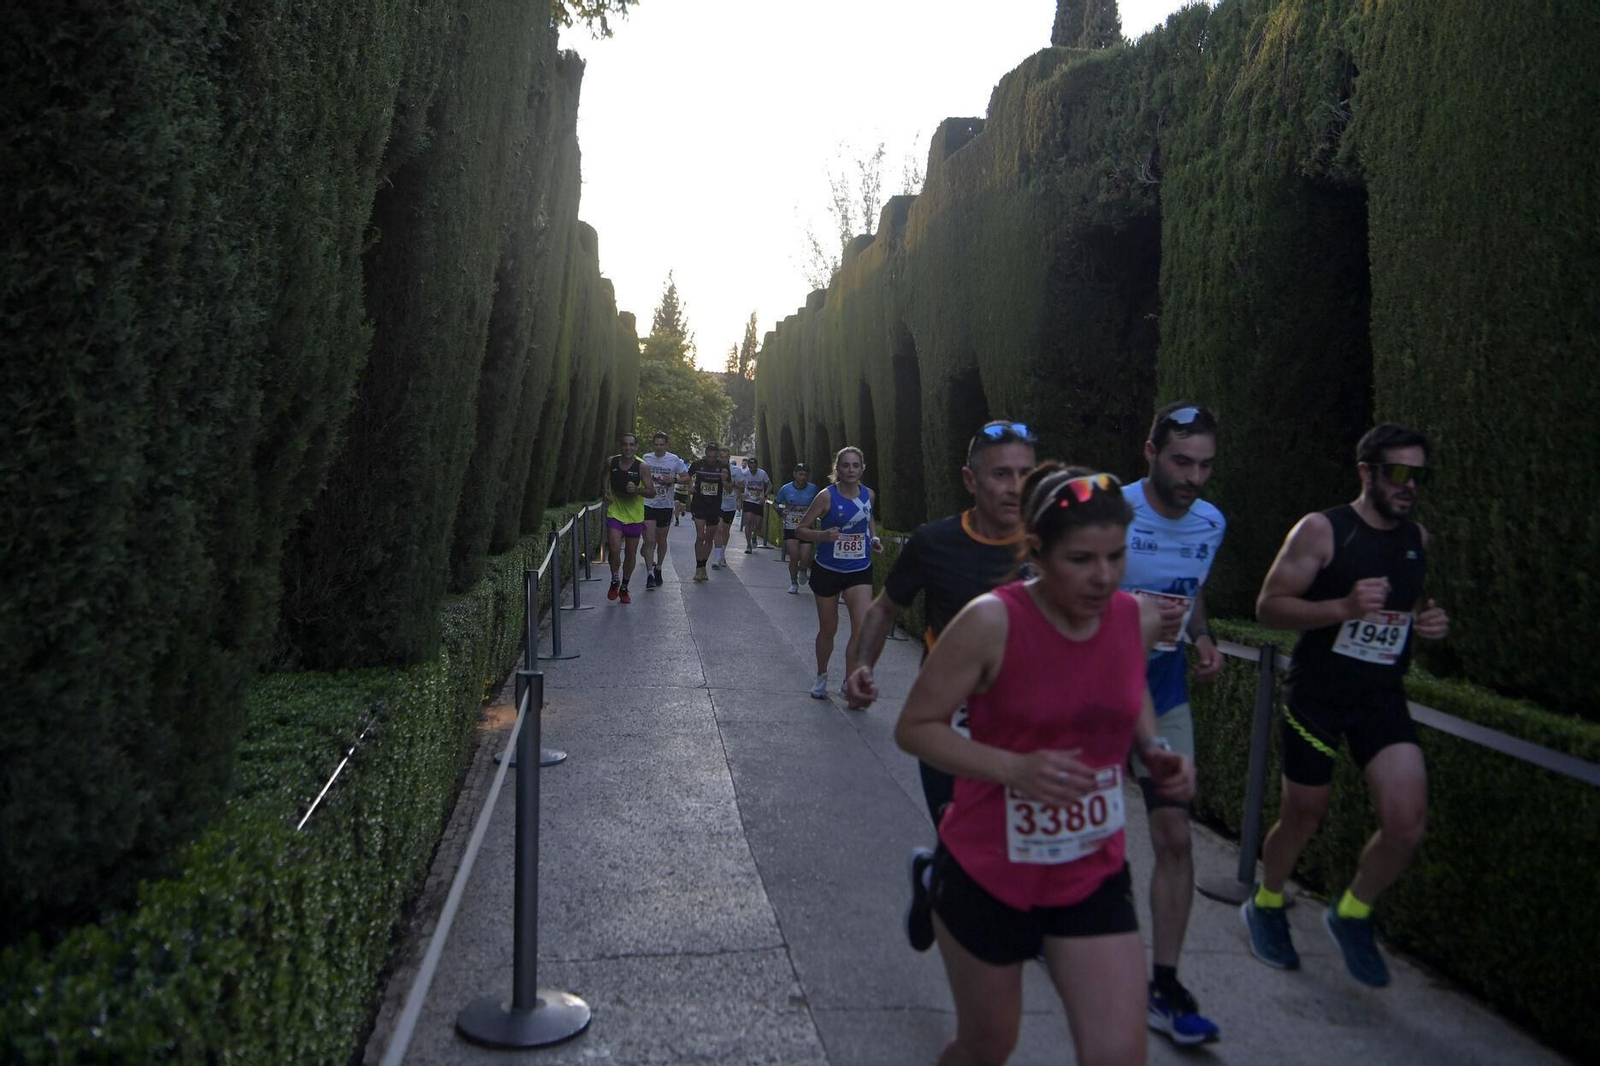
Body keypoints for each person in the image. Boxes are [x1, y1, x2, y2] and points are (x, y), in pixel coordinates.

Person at [894, 463, 1195, 1066]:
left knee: (1117, 1056)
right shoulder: (990, 621)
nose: (1103, 577)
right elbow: (915, 728)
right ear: (1036, 551)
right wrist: (1014, 769)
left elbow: (1129, 687)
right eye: (1081, 559)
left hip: (1092, 870)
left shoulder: (1135, 617)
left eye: (1115, 557)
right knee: (989, 1045)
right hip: (988, 873)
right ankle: (935, 879)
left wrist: (1153, 748)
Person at [1242, 423, 1449, 988]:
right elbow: (1268, 608)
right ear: (1367, 472)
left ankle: (1353, 910)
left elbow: (1403, 613)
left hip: (1380, 698)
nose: (1409, 486)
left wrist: (1427, 623)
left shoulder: (1417, 540)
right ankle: (1266, 901)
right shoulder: (1322, 531)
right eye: (1399, 473)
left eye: (1419, 475)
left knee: (1407, 823)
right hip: (1318, 697)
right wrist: (1342, 607)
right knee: (1305, 814)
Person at [842, 421, 1037, 954]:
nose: (1015, 486)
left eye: (1026, 473)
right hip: (947, 723)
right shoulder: (936, 542)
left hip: (1026, 724)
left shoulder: (1050, 547)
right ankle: (939, 880)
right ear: (970, 480)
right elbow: (884, 609)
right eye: (1001, 474)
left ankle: (979, 891)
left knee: (1016, 836)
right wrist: (863, 666)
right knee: (967, 837)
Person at [1116, 402, 1226, 1046]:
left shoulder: (1211, 520)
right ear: (1150, 452)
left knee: (1175, 834)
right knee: (1074, 821)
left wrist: (1203, 635)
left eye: (1206, 465)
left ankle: (1166, 982)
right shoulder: (1110, 509)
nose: (1193, 477)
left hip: (1164, 684)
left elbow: (1191, 585)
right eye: (1181, 461)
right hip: (1097, 684)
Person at [793, 446, 881, 699]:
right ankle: (821, 675)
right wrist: (822, 535)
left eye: (856, 465)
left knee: (861, 629)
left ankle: (849, 680)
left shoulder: (869, 495)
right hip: (828, 569)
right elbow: (801, 530)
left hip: (859, 568)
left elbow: (868, 518)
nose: (851, 470)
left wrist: (873, 538)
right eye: (846, 465)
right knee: (828, 629)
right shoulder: (826, 497)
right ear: (838, 469)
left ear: (862, 468)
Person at [601, 432, 650, 603]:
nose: (628, 448)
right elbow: (605, 477)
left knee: (630, 554)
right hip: (615, 512)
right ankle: (615, 579)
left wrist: (637, 489)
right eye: (625, 444)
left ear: (636, 448)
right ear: (620, 446)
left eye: (631, 445)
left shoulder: (642, 466)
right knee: (614, 550)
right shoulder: (611, 461)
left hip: (635, 516)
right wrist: (605, 491)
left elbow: (652, 492)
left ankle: (624, 586)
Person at [640, 430, 688, 591]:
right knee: (649, 541)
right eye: (656, 444)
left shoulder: (674, 460)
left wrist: (673, 480)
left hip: (665, 505)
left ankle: (658, 567)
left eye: (662, 445)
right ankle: (649, 575)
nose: (659, 448)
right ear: (653, 445)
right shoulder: (646, 458)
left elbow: (687, 478)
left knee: (661, 541)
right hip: (648, 504)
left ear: (667, 445)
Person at [686, 443, 730, 582]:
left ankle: (703, 565)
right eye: (709, 456)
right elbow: (687, 476)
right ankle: (698, 566)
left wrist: (724, 480)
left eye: (714, 456)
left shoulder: (723, 466)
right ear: (705, 453)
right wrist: (689, 486)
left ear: (717, 455)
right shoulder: (697, 464)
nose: (711, 459)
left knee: (709, 537)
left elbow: (729, 488)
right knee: (700, 535)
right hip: (699, 503)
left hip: (714, 505)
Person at [774, 463, 820, 593]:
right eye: (800, 474)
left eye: (805, 475)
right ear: (794, 474)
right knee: (794, 556)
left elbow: (819, 505)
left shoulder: (813, 489)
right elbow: (776, 503)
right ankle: (793, 583)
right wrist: (780, 511)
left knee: (805, 557)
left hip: (807, 528)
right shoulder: (786, 489)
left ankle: (803, 569)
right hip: (790, 527)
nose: (803, 477)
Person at [711, 447, 744, 569]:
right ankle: (717, 558)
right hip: (717, 504)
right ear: (718, 457)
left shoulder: (735, 470)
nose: (724, 460)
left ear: (729, 457)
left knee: (725, 530)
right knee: (718, 529)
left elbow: (742, 485)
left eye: (726, 457)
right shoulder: (715, 469)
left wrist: (733, 484)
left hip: (730, 505)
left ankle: (722, 554)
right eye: (721, 457)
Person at [739, 456, 772, 554]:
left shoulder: (762, 473)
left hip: (759, 501)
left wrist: (765, 496)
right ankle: (748, 544)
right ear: (748, 466)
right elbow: (739, 485)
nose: (752, 469)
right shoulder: (744, 474)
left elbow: (770, 485)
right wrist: (741, 495)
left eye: (754, 467)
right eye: (751, 467)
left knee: (758, 524)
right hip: (748, 500)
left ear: (757, 466)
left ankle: (754, 536)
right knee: (748, 521)